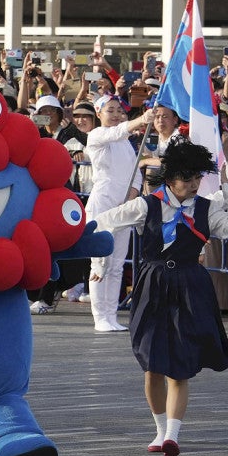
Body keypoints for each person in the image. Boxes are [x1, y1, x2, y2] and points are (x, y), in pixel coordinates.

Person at [92, 141, 228, 456]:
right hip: (153, 286)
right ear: (170, 178)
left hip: (190, 286)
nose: (193, 185)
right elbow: (100, 224)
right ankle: (160, 429)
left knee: (180, 366)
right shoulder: (144, 206)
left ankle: (173, 435)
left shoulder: (207, 208)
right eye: (186, 179)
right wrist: (96, 260)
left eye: (197, 178)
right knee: (152, 366)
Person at [85, 95, 150, 332]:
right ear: (99, 113)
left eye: (117, 110)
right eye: (109, 110)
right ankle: (99, 315)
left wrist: (133, 193)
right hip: (102, 204)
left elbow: (136, 173)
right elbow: (117, 132)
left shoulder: (126, 142)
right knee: (100, 262)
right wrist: (142, 119)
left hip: (123, 207)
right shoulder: (98, 135)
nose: (114, 114)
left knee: (117, 264)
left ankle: (111, 315)